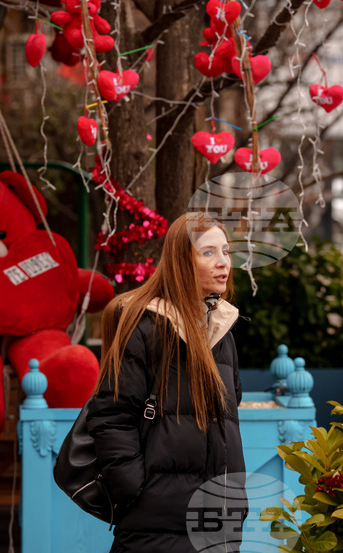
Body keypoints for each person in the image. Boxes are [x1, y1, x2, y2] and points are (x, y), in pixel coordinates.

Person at [83, 212, 245, 552]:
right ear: (181, 261)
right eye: (208, 252)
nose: (222, 263)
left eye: (226, 252)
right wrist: (135, 490)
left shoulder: (222, 328)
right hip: (154, 525)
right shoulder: (146, 327)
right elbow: (110, 415)